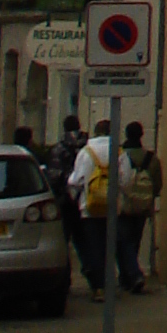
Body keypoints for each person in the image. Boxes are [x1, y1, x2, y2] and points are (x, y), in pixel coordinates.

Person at [68, 123, 123, 295]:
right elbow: (126, 179)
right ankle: (109, 283)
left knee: (93, 247)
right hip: (112, 208)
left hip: (90, 208)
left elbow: (75, 181)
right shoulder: (119, 153)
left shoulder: (86, 153)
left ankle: (98, 286)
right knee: (109, 247)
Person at [116, 120, 158, 293]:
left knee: (122, 242)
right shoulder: (151, 158)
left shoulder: (121, 156)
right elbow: (157, 184)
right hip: (143, 206)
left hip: (124, 205)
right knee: (134, 241)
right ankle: (127, 277)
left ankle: (133, 275)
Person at [47, 115, 86, 287]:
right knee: (86, 242)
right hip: (87, 200)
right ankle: (96, 279)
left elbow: (54, 176)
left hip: (66, 202)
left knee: (63, 243)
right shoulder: (89, 147)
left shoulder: (59, 148)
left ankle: (65, 279)